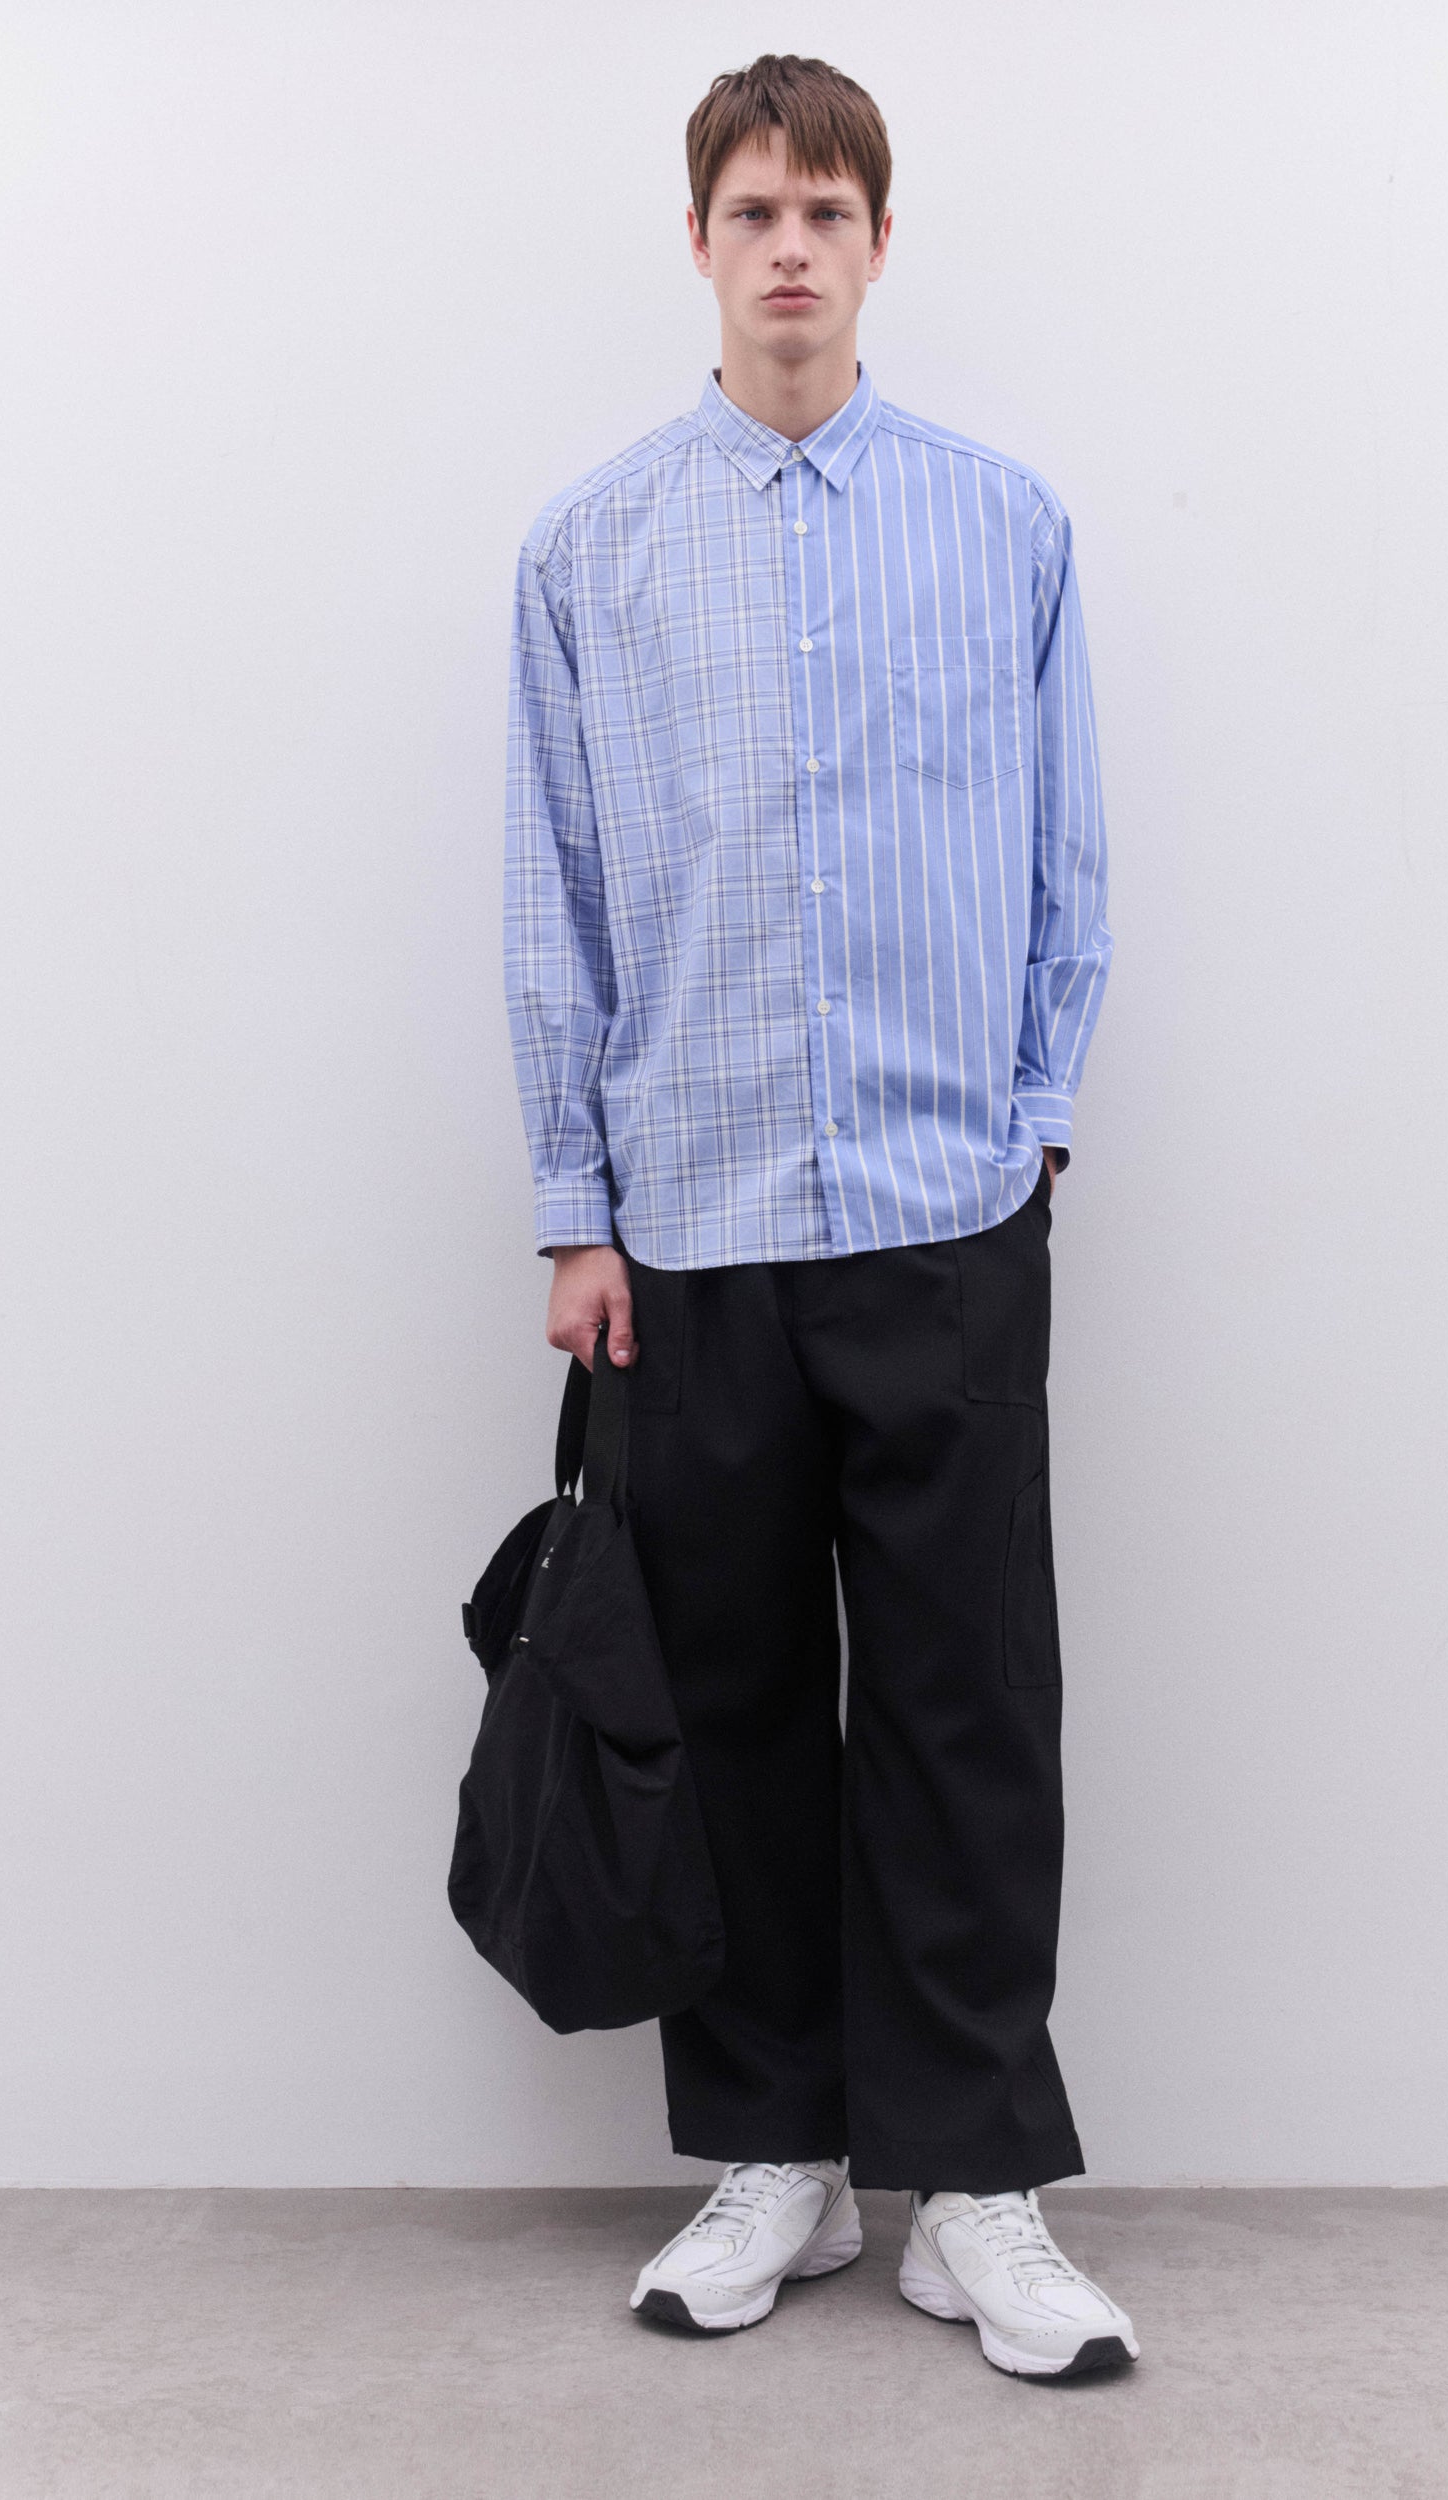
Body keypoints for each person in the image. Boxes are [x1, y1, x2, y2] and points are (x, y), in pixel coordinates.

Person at [502, 53, 1130, 2379]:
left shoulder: (1004, 526)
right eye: (754, 210)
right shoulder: (589, 550)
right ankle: (773, 2151)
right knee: (736, 1697)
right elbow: (555, 899)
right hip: (690, 1228)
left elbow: (1067, 860)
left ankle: (974, 2182)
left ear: (878, 243)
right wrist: (574, 1208)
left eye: (828, 213)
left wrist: (1032, 1123)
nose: (790, 248)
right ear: (700, 240)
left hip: (947, 1213)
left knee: (969, 1705)